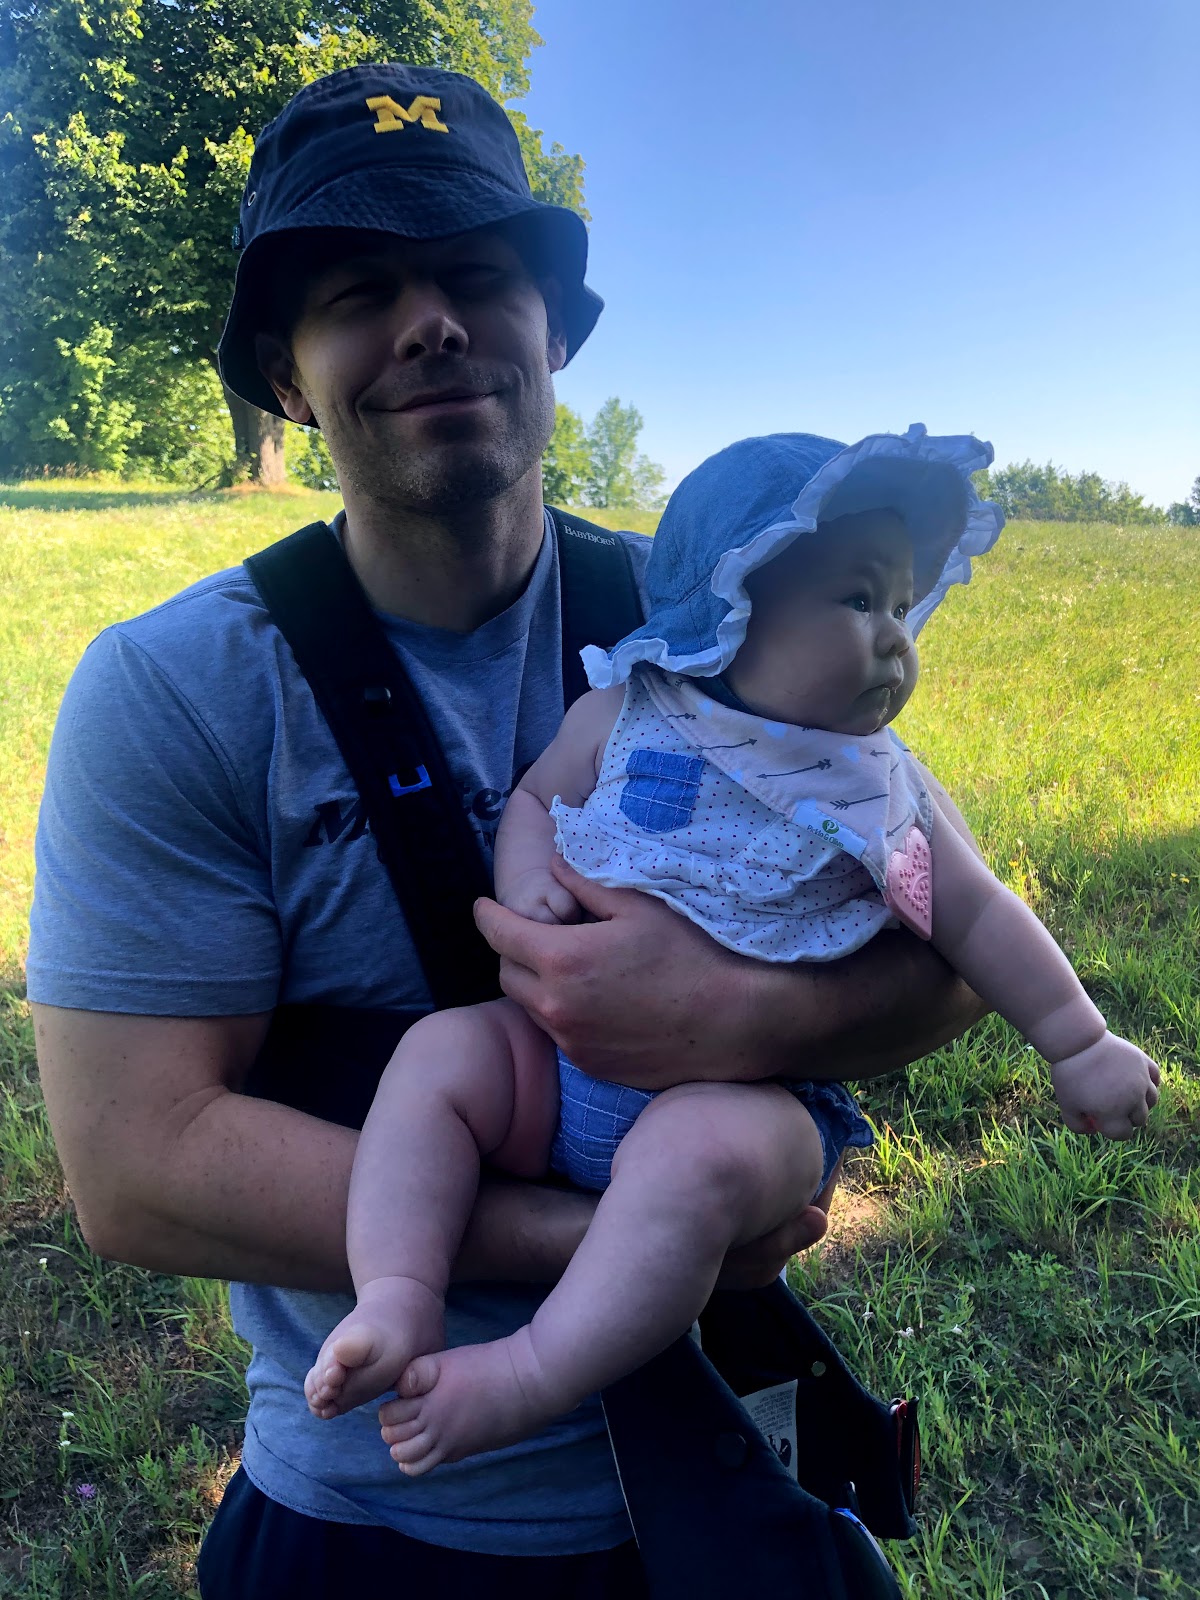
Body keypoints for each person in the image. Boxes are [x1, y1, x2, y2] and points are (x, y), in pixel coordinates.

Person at [28, 63, 985, 1599]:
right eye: (361, 291)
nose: (432, 322)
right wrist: (628, 1236)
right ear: (285, 374)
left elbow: (951, 931)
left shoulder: (724, 622)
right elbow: (136, 1169)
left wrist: (747, 1018)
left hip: (719, 1482)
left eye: (479, 275)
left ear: (556, 335)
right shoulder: (178, 690)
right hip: (371, 1512)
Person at [303, 428, 1161, 1475]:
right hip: (555, 1071)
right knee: (440, 1055)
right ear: (732, 606)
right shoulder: (626, 709)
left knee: (693, 1159)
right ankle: (397, 1292)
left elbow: (974, 917)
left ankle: (528, 1374)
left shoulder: (875, 786)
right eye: (860, 599)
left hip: (749, 1107)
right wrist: (526, 878)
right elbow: (534, 797)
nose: (895, 638)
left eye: (902, 606)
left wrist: (1078, 1041)